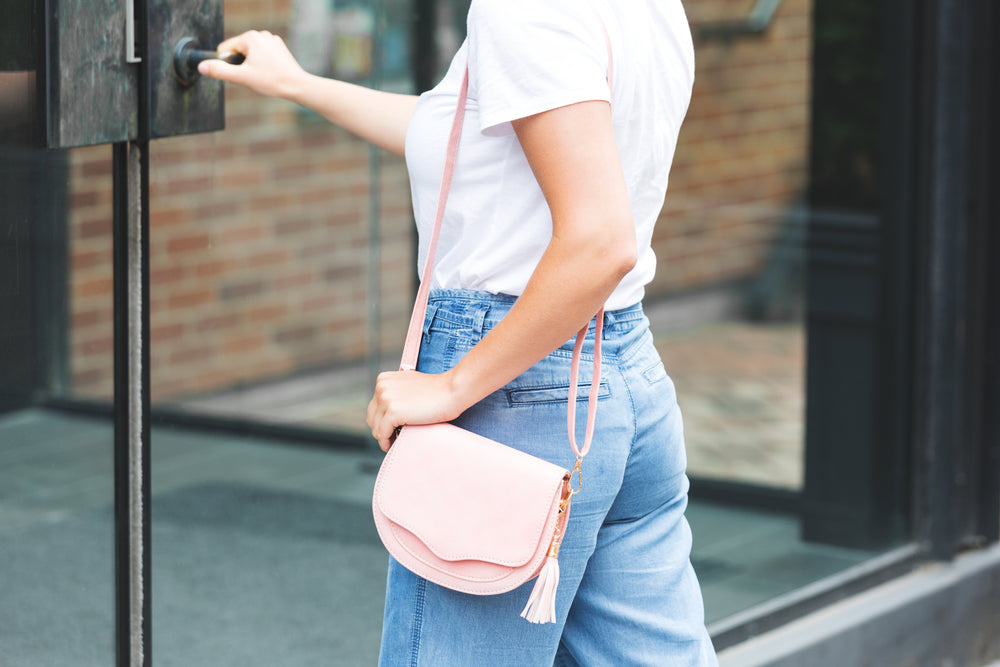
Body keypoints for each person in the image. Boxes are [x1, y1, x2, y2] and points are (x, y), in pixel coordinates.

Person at [200, 0, 718, 663]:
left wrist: (452, 386)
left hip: (515, 399)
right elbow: (463, 138)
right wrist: (299, 83)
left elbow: (599, 240)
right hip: (622, 377)